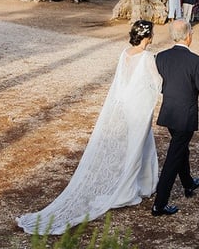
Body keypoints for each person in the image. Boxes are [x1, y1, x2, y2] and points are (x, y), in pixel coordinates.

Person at [17, 20, 162, 234]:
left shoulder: (125, 53)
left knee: (142, 143)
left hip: (125, 104)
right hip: (138, 107)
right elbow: (157, 82)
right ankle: (126, 191)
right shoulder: (148, 57)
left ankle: (146, 183)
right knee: (135, 148)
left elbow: (121, 82)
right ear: (147, 36)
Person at [151, 20, 199, 216]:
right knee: (174, 157)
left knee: (180, 149)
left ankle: (188, 183)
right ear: (188, 35)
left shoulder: (161, 57)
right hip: (185, 117)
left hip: (169, 113)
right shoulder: (195, 61)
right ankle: (159, 204)